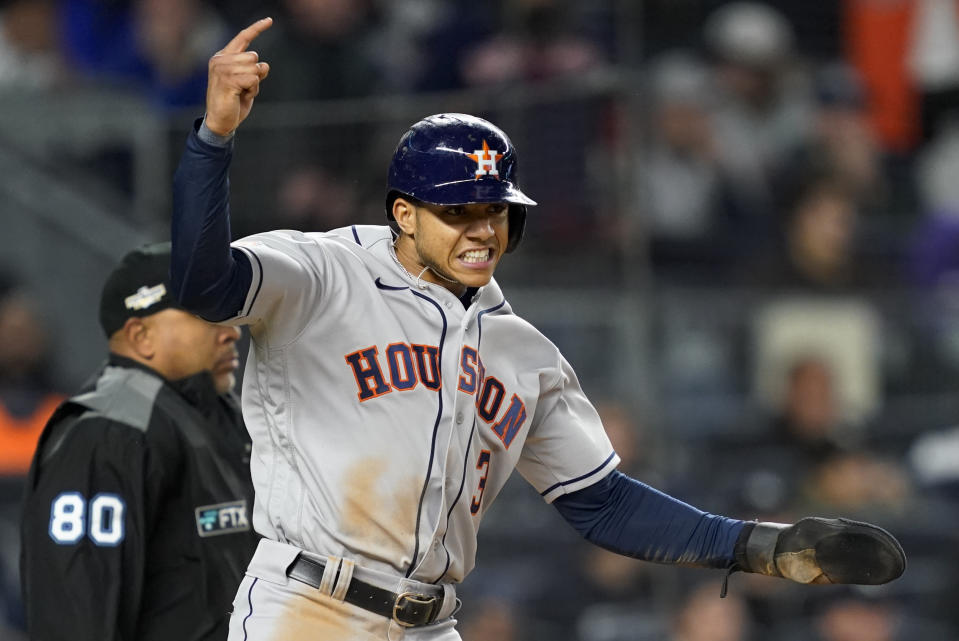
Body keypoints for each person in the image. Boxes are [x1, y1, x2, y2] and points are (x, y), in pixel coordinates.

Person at [170, 18, 906, 641]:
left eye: (493, 209)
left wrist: (758, 545)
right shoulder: (319, 272)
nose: (481, 228)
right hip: (308, 606)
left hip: (430, 621)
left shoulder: (521, 351)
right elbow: (204, 286)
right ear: (403, 213)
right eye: (457, 210)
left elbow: (603, 501)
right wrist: (213, 139)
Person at [19, 242, 258, 641]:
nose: (232, 331)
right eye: (206, 314)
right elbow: (78, 615)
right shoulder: (108, 430)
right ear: (141, 334)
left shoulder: (218, 413)